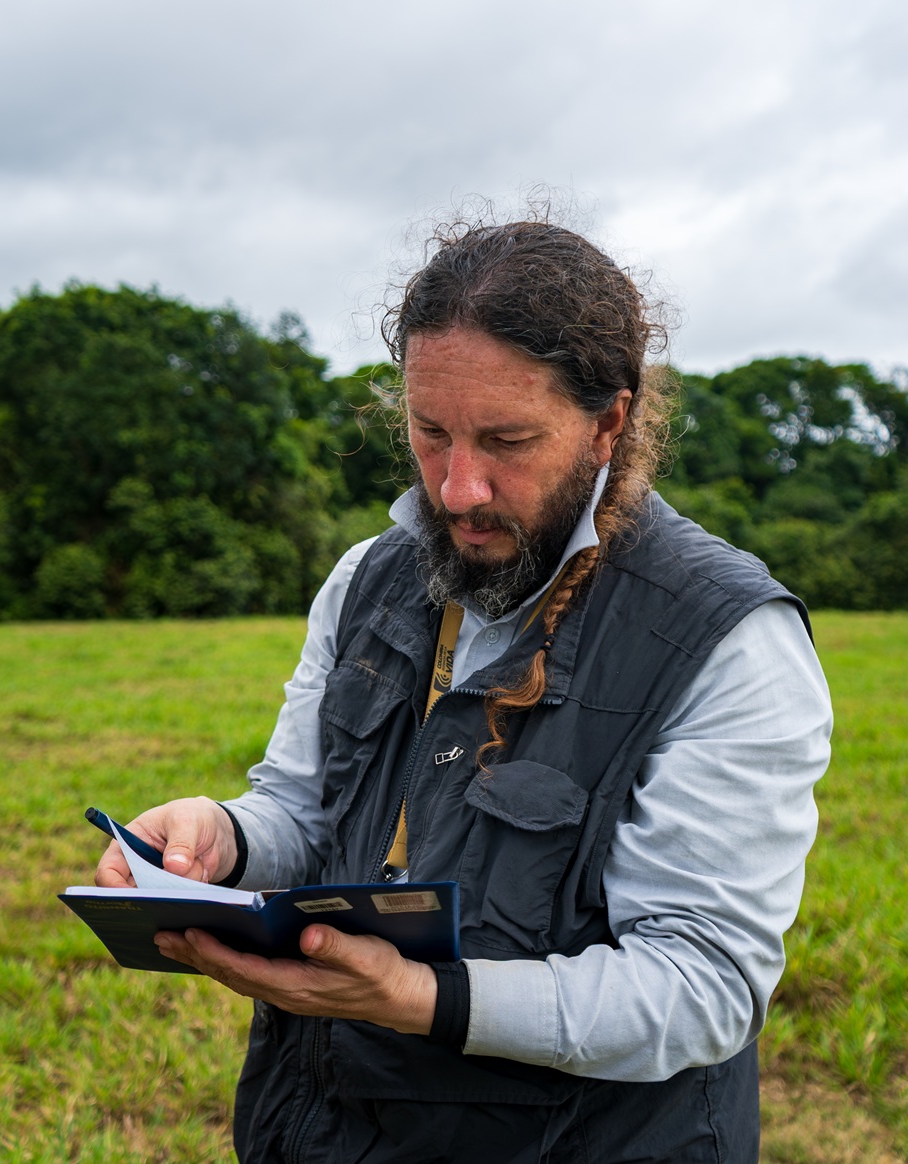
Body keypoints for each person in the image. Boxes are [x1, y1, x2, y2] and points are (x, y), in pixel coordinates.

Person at [94, 219, 832, 1162]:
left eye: (507, 440)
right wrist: (221, 840)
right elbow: (303, 810)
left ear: (609, 422)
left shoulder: (728, 637)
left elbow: (701, 988)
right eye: (428, 431)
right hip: (318, 1128)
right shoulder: (369, 576)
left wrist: (419, 999)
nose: (456, 488)